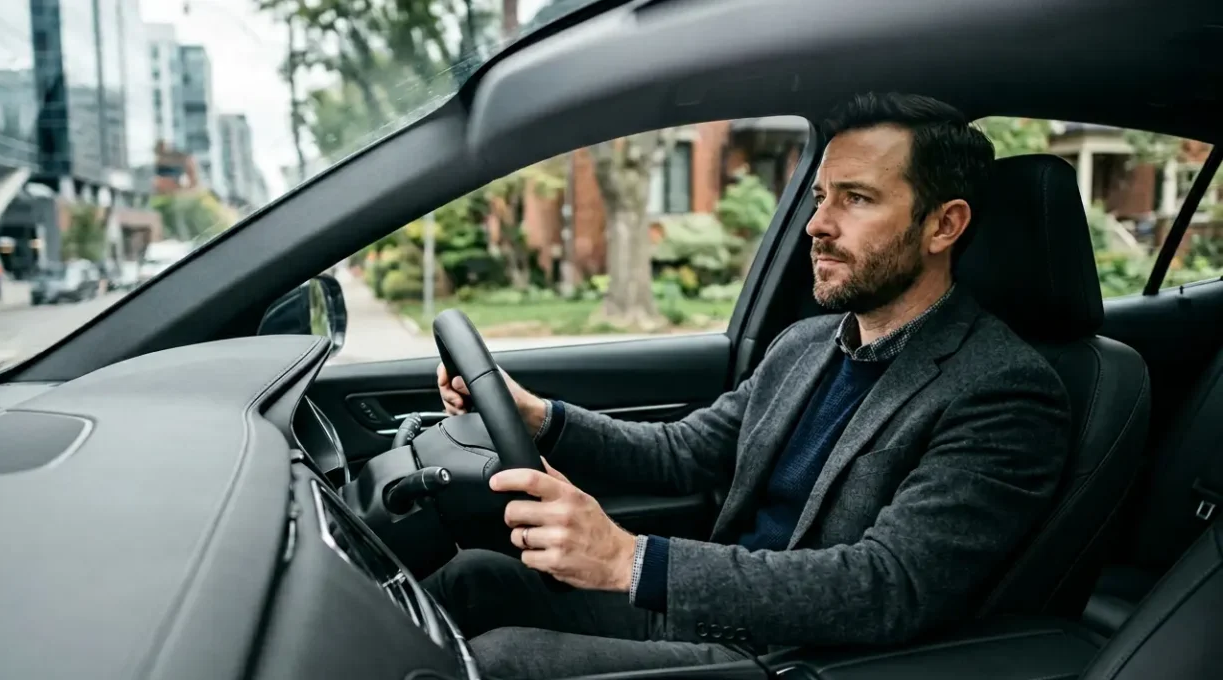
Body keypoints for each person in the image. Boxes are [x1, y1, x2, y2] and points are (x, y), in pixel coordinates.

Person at [423, 93, 1070, 679]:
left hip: (797, 655)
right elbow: (684, 450)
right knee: (471, 579)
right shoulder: (806, 344)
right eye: (821, 197)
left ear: (943, 226)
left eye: (857, 198)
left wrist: (631, 559)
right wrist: (537, 417)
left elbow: (889, 586)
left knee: (501, 663)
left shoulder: (1004, 390)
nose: (818, 224)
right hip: (713, 606)